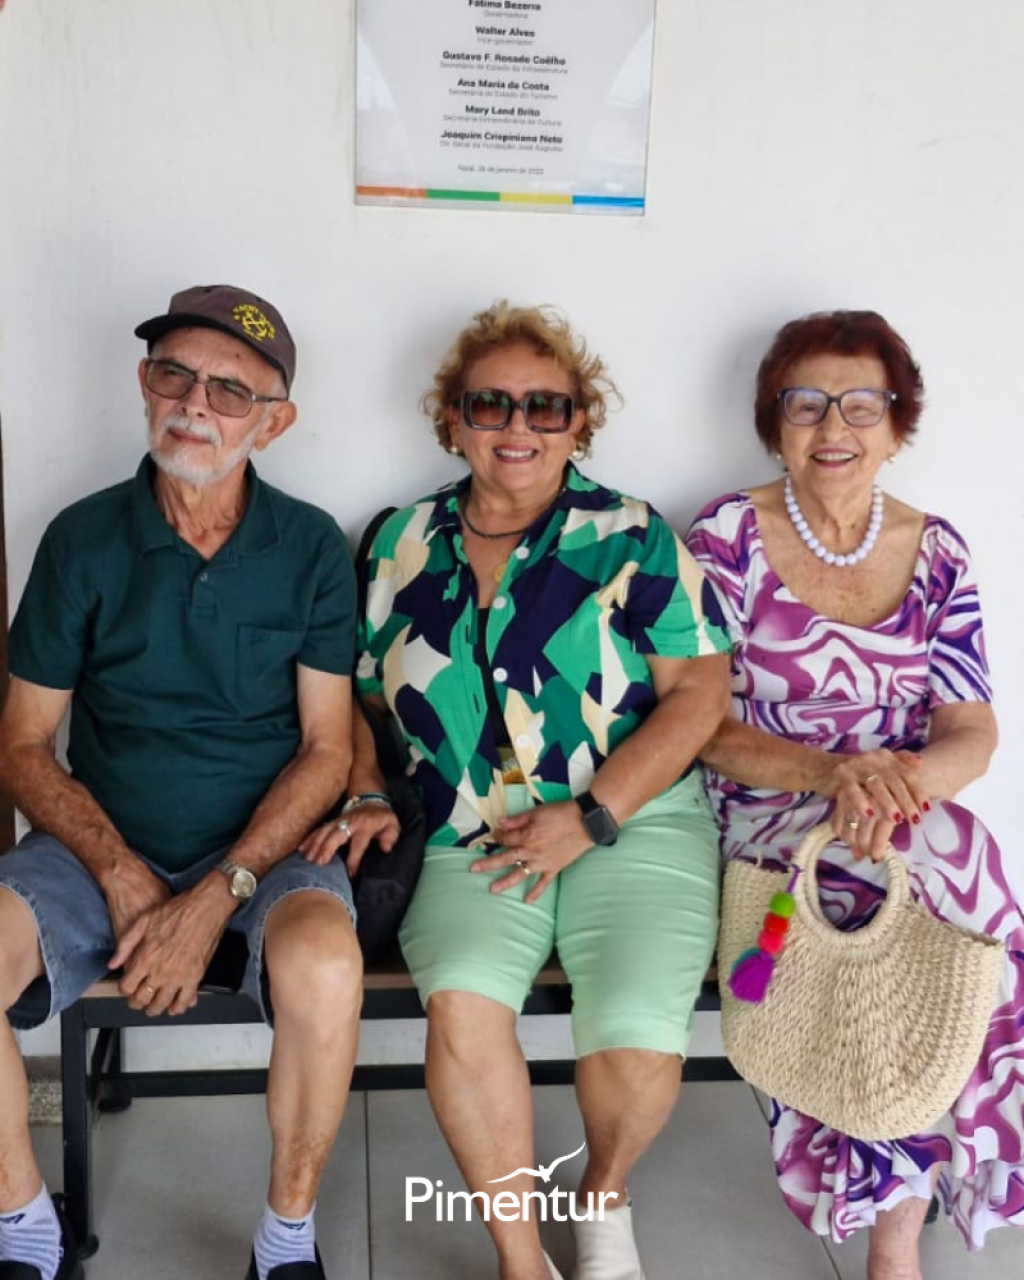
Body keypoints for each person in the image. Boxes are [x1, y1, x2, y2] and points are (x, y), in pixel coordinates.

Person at [301, 301, 732, 1280]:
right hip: (468, 831)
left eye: (546, 405)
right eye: (489, 403)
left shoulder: (631, 536)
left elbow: (700, 693)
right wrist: (366, 787)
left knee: (636, 1032)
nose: (517, 425)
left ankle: (603, 1190)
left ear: (579, 422)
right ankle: (519, 1257)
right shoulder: (399, 541)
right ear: (452, 419)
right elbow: (356, 700)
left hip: (632, 819)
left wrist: (593, 814)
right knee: (461, 1008)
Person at [0, 284, 364, 1280]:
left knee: (327, 967)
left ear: (273, 422)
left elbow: (327, 750)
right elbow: (22, 743)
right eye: (175, 374)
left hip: (265, 852)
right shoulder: (82, 537)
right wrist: (117, 870)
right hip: (97, 844)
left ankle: (284, 1236)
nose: (195, 404)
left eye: (231, 391)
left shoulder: (309, 546)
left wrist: (217, 895)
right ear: (143, 382)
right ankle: (25, 1226)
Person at [685, 310, 1024, 1278]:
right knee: (849, 897)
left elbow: (972, 729)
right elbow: (702, 726)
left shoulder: (938, 550)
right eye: (805, 404)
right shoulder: (723, 538)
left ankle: (905, 1215)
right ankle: (886, 1205)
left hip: (900, 805)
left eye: (860, 404)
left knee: (970, 881)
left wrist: (893, 792)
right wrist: (831, 777)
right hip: (770, 798)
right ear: (774, 422)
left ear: (896, 424)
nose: (833, 426)